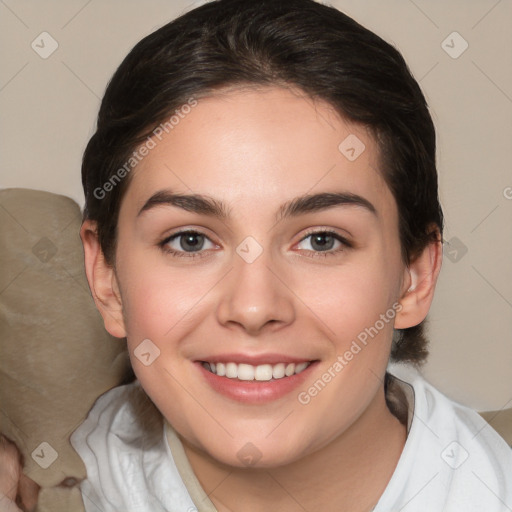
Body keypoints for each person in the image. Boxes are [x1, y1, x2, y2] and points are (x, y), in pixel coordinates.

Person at [3, 0, 511, 510]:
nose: (252, 307)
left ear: (415, 276)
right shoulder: (54, 475)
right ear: (106, 277)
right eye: (190, 240)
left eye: (321, 240)